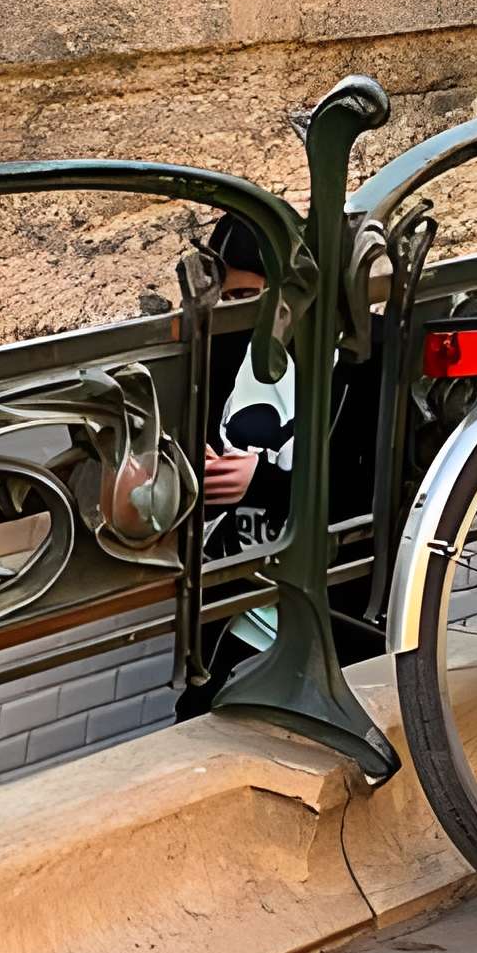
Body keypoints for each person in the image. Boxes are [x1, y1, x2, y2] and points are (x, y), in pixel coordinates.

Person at [174, 212, 380, 719]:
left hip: (326, 613)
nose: (234, 313)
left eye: (248, 299)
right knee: (202, 719)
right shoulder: (221, 345)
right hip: (232, 605)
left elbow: (368, 491)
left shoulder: (359, 360)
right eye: (228, 298)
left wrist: (261, 483)